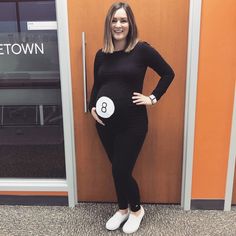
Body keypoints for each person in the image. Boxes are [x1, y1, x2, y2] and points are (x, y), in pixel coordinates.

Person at [89, 2, 175, 234]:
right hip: (105, 125)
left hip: (133, 124)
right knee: (116, 168)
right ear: (109, 24)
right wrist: (92, 108)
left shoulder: (142, 50)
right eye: (114, 20)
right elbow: (97, 85)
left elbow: (168, 73)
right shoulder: (101, 54)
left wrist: (153, 98)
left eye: (123, 20)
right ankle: (122, 209)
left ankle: (136, 210)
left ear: (130, 24)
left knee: (121, 170)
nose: (118, 25)